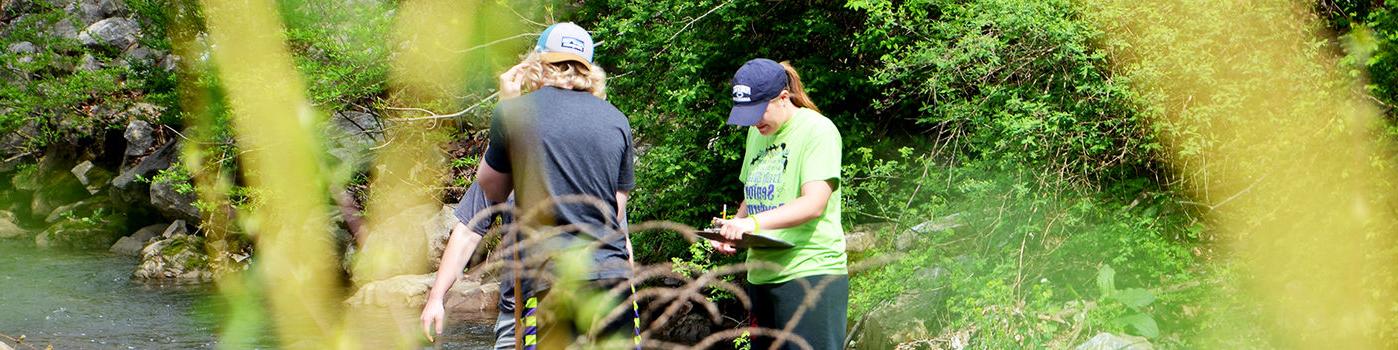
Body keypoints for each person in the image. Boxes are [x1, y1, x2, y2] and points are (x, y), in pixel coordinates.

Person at [475, 22, 639, 349]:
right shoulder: (617, 119)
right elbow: (615, 210)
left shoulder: (514, 113)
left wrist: (508, 102)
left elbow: (492, 190)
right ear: (589, 69)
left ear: (535, 63)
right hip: (611, 274)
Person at [711, 58, 848, 350]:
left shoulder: (818, 131)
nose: (754, 121)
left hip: (810, 273)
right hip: (762, 275)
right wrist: (734, 228)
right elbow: (753, 192)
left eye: (758, 111)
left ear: (783, 98)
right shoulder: (757, 133)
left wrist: (752, 224)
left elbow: (814, 204)